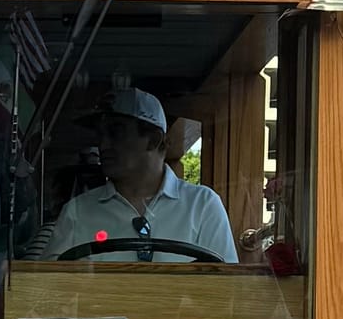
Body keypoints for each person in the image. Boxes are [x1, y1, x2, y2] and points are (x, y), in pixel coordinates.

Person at [42, 88, 238, 262]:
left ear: (154, 140)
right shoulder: (77, 211)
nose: (103, 144)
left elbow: (226, 289)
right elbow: (48, 290)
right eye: (100, 135)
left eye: (115, 132)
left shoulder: (202, 205)